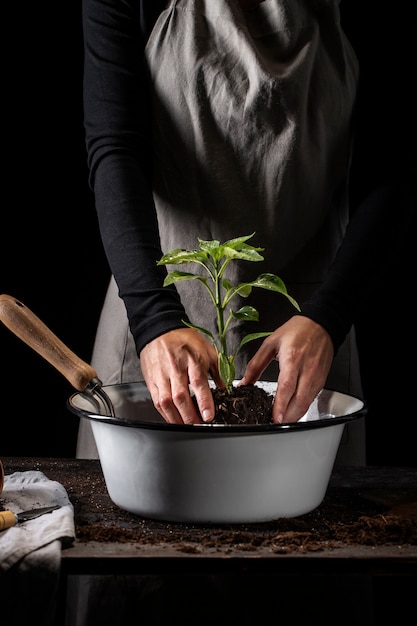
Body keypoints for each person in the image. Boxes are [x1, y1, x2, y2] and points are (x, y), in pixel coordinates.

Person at [76, 0, 403, 465]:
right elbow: (115, 147)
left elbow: (390, 167)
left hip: (310, 327)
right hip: (157, 311)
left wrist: (328, 316)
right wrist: (152, 318)